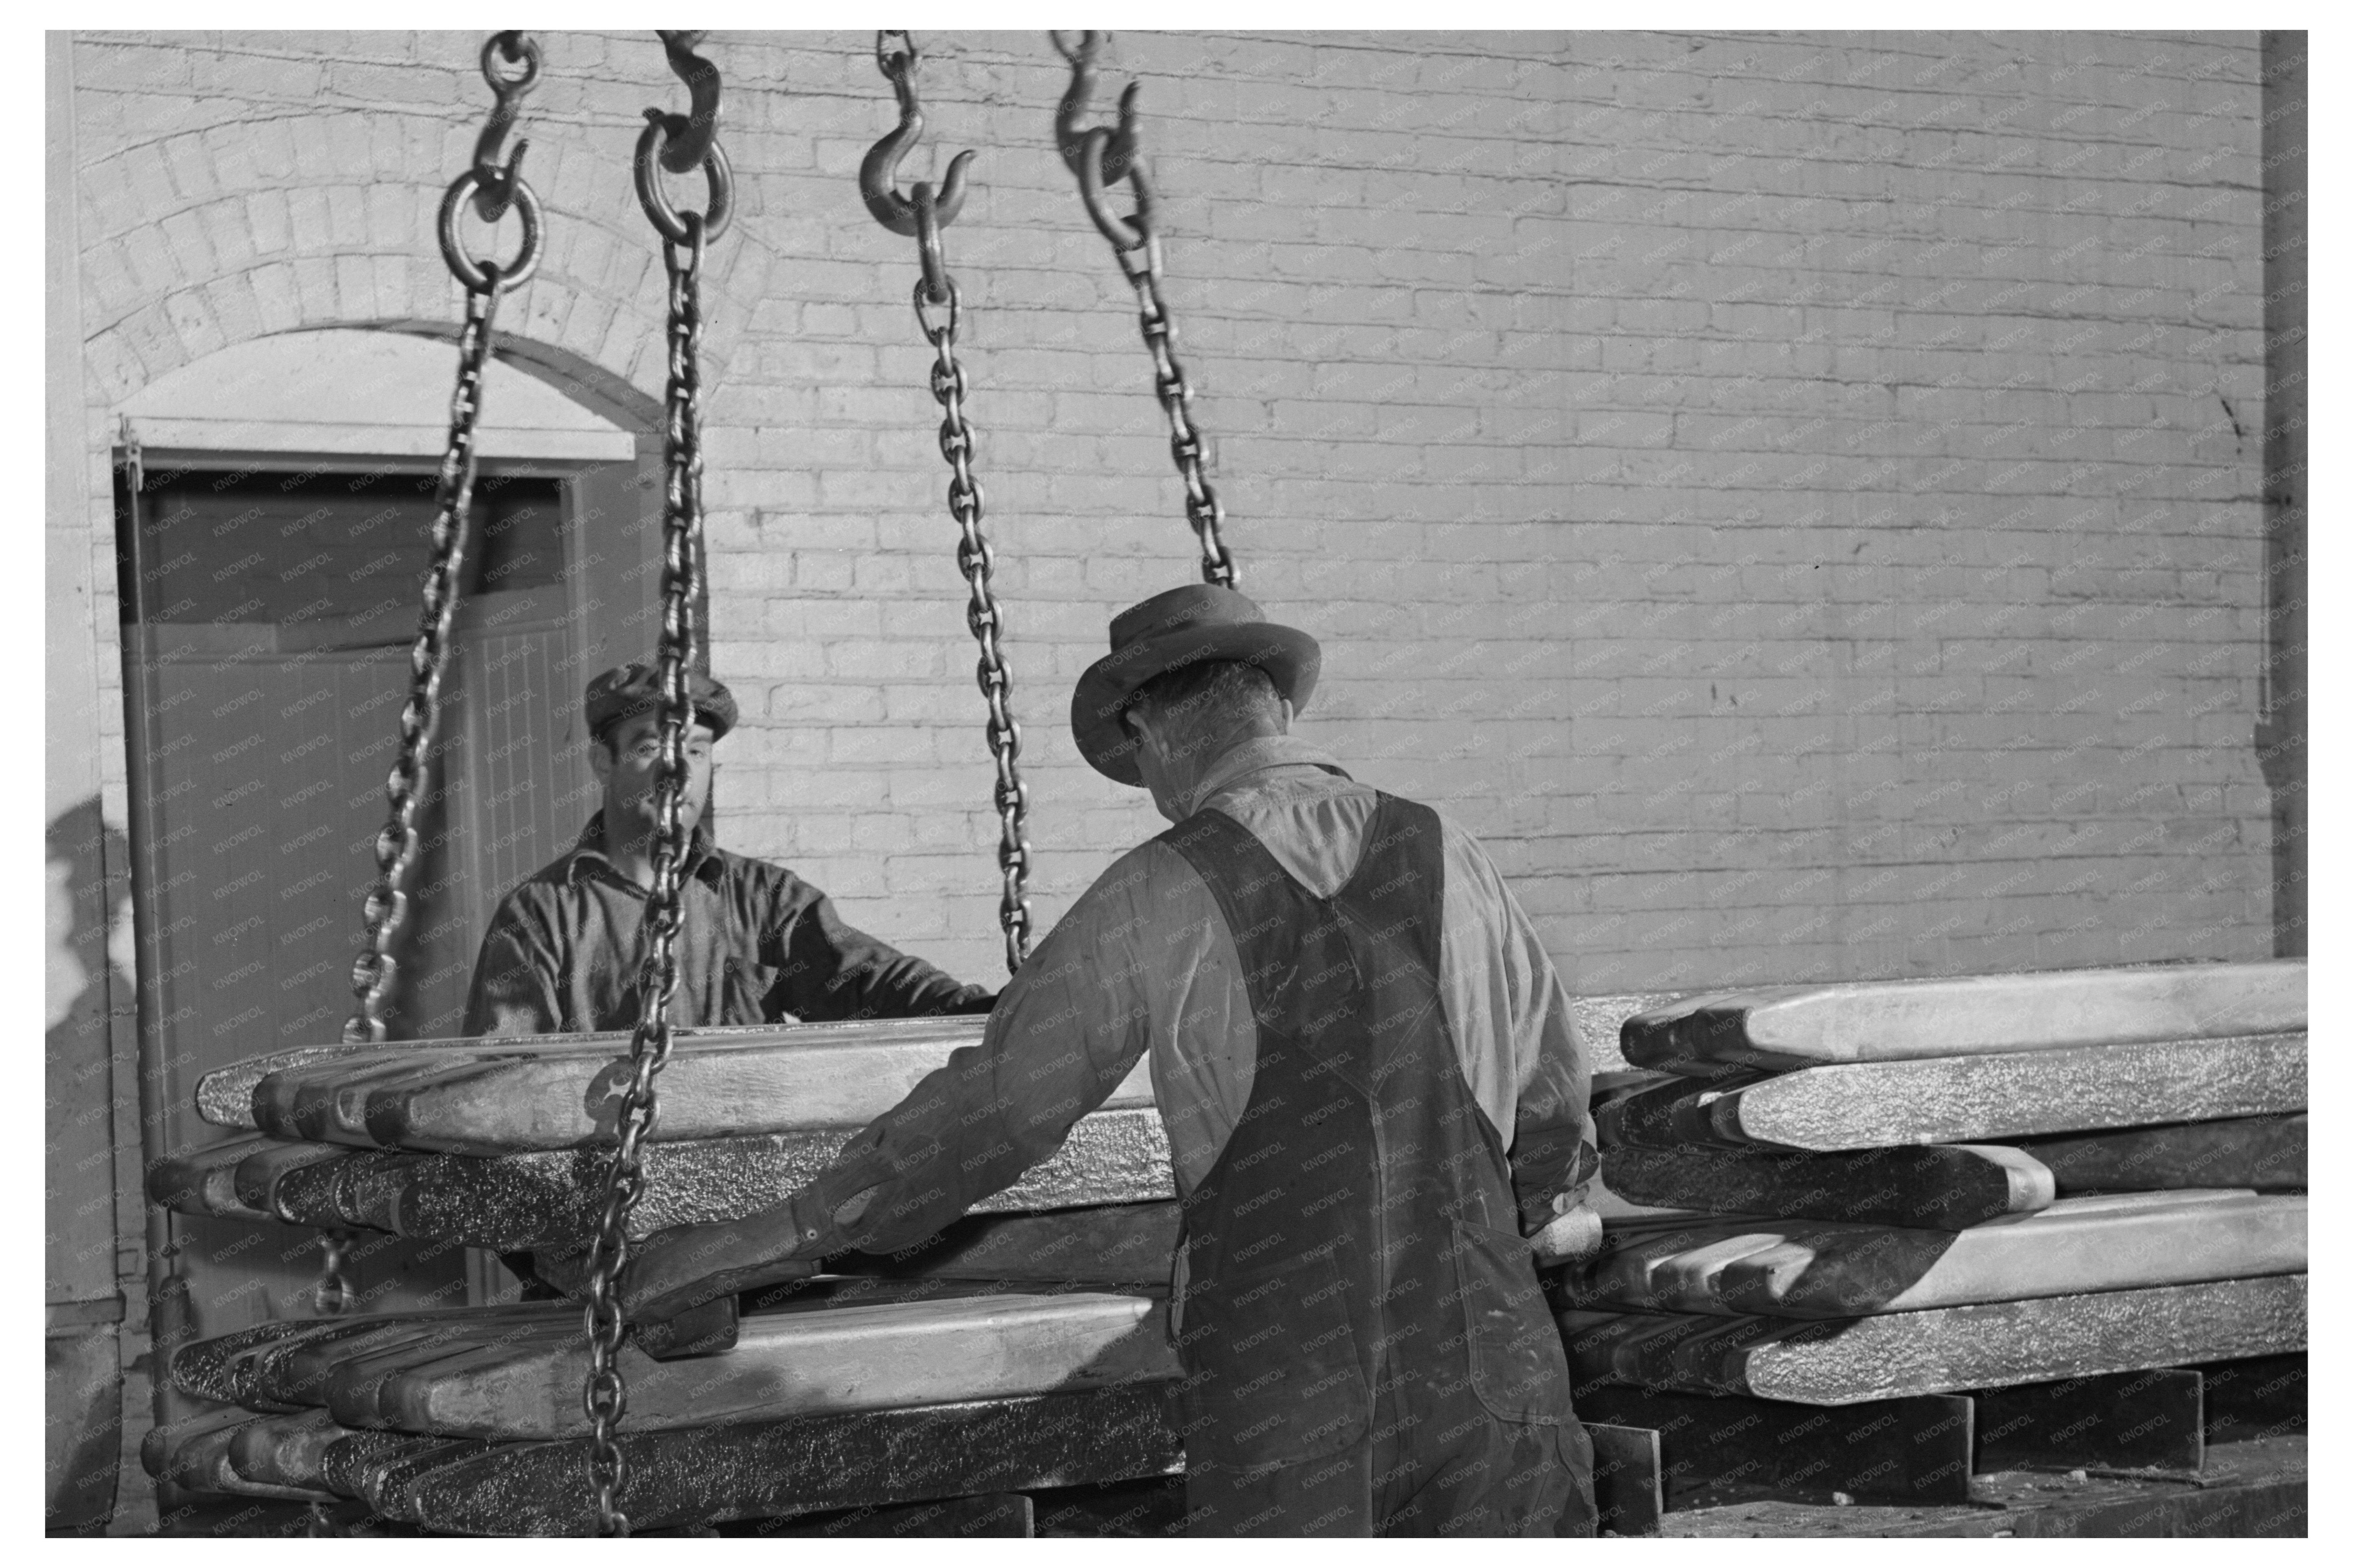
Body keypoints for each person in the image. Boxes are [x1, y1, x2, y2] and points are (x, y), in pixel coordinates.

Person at [623, 587, 1603, 1537]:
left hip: (1291, 1400)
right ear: (1281, 706)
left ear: (1151, 732)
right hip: (1492, 1379)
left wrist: (778, 1233)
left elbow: (995, 1113)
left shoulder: (1157, 889)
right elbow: (1553, 1116)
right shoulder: (1452, 851)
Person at [461, 662, 993, 1037]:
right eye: (652, 749)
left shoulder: (767, 902)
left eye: (696, 751)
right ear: (604, 763)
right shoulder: (540, 916)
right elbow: (506, 1074)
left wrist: (988, 1013)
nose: (679, 772)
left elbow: (869, 983)